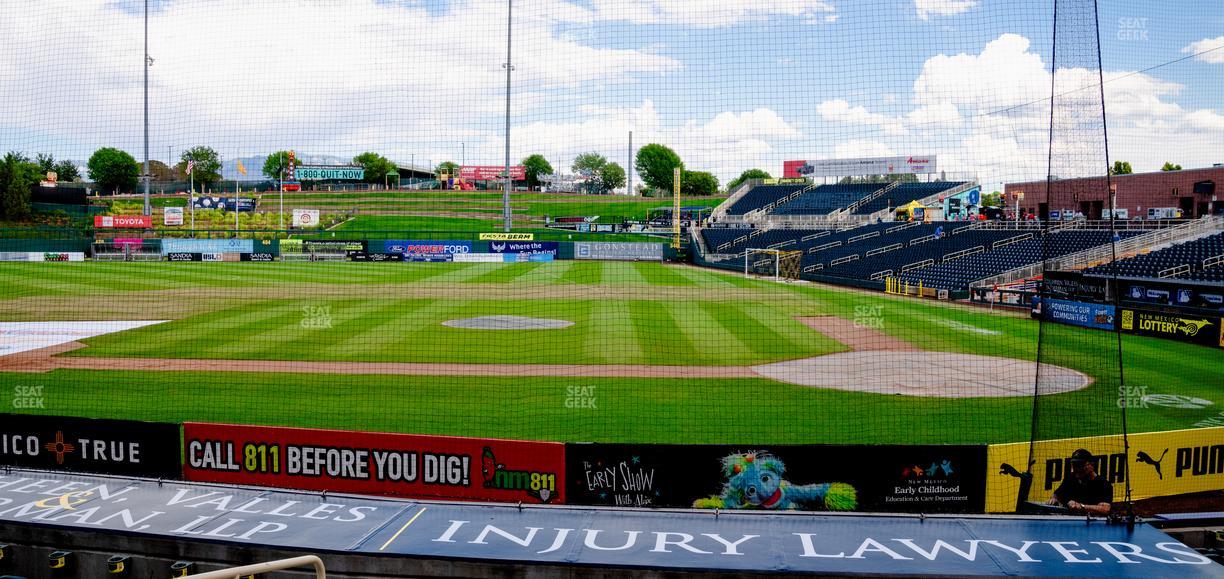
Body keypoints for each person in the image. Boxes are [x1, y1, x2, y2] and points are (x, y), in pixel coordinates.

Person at [1048, 449, 1112, 516]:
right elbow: (1057, 494)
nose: (1077, 468)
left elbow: (1105, 509)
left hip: (1091, 522)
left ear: (1091, 465)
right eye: (1074, 465)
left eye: (1080, 465)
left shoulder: (1103, 484)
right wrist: (1054, 498)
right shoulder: (1070, 478)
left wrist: (1081, 506)